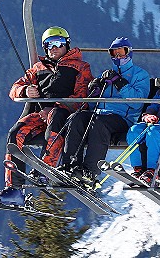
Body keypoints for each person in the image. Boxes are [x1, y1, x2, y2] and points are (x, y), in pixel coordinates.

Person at [0, 26, 93, 206]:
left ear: (67, 45)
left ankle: (46, 169)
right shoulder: (37, 69)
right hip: (40, 116)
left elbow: (82, 98)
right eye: (49, 45)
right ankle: (14, 188)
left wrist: (56, 106)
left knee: (56, 115)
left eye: (58, 44)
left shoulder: (80, 67)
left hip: (64, 115)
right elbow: (14, 90)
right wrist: (25, 90)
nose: (54, 48)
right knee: (16, 132)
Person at [58, 37, 151, 190]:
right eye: (114, 53)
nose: (118, 57)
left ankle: (90, 171)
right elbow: (95, 104)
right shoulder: (107, 75)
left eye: (121, 52)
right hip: (100, 113)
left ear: (129, 53)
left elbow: (137, 102)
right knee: (76, 118)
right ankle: (70, 166)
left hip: (123, 118)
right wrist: (94, 91)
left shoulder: (140, 75)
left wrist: (120, 83)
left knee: (99, 124)